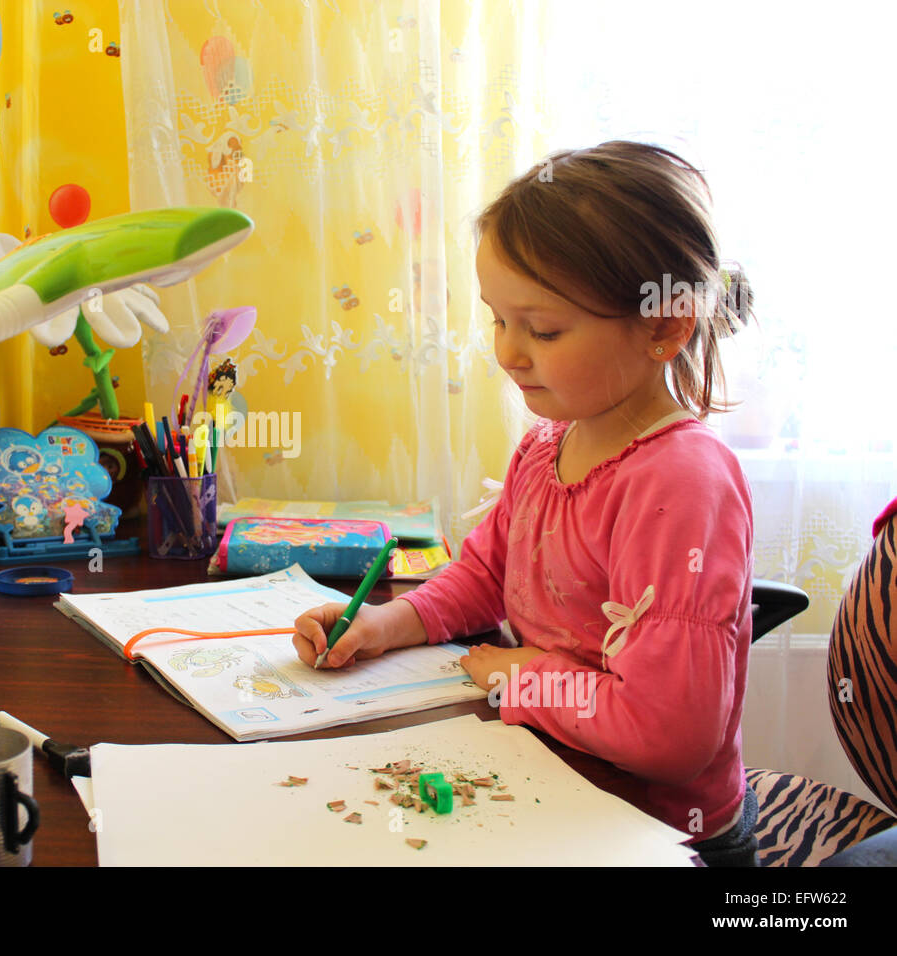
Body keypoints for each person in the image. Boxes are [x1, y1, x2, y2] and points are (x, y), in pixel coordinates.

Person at [292, 142, 757, 866]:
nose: (509, 352)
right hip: (547, 781)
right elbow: (484, 575)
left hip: (656, 835)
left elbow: (671, 736)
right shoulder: (547, 447)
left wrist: (521, 675)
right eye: (498, 320)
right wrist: (387, 624)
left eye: (542, 330)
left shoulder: (681, 483)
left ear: (665, 326)